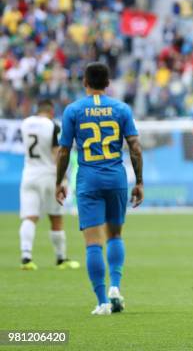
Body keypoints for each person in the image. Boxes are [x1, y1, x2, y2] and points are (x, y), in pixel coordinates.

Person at [55, 62, 144, 315]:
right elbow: (135, 148)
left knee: (93, 243)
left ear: (85, 82)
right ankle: (115, 286)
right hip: (116, 178)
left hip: (89, 180)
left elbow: (63, 150)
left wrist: (59, 181)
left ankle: (102, 301)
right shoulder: (121, 108)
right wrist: (139, 182)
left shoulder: (73, 110)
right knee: (115, 235)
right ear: (108, 84)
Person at [19, 99, 80, 271]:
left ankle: (26, 257)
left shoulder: (25, 124)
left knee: (29, 217)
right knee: (56, 217)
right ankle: (61, 259)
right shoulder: (52, 126)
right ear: (51, 112)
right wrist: (63, 180)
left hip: (29, 174)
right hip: (48, 175)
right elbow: (57, 153)